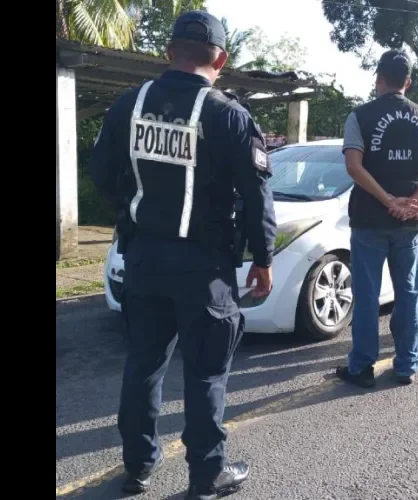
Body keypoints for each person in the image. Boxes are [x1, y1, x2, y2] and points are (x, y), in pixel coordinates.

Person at [88, 11, 276, 499]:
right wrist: (263, 257)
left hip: (145, 258)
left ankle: (138, 466)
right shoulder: (228, 114)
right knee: (206, 371)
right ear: (222, 59)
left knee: (144, 364)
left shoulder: (130, 105)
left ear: (169, 52)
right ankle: (207, 474)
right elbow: (257, 198)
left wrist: (136, 211)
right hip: (205, 267)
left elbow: (103, 174)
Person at [334, 49, 418, 388]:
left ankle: (362, 367)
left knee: (368, 296)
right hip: (409, 223)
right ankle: (406, 366)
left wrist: (386, 199)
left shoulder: (360, 116)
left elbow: (354, 166)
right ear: (409, 82)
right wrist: (413, 199)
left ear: (379, 79)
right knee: (408, 293)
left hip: (370, 220)